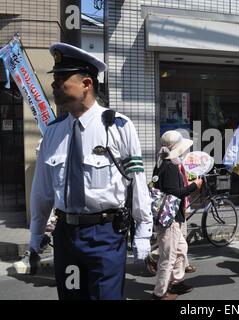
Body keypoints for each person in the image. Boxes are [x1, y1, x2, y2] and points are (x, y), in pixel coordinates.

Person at [28, 43, 153, 299]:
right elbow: (41, 191)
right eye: (55, 77)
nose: (54, 84)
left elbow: (137, 183)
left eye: (62, 78)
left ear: (86, 83)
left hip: (105, 235)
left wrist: (143, 234)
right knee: (72, 297)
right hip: (66, 236)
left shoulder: (117, 126)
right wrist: (36, 233)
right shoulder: (52, 132)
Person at [151, 130, 203, 300]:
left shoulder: (162, 164)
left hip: (167, 217)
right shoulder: (171, 167)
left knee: (181, 248)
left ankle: (177, 282)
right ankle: (160, 293)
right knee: (168, 257)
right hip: (170, 219)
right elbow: (176, 192)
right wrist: (195, 186)